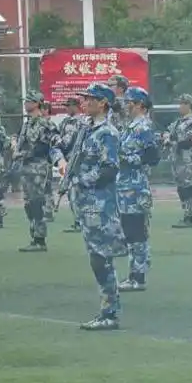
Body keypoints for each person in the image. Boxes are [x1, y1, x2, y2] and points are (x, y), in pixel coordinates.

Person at [67, 83, 128, 330]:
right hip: (86, 202)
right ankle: (107, 309)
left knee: (102, 258)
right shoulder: (86, 129)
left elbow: (109, 169)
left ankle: (109, 312)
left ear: (103, 103)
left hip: (100, 204)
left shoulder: (107, 133)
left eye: (91, 99)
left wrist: (81, 179)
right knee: (96, 257)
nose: (86, 102)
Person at [118, 87, 161, 292]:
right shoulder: (130, 127)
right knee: (129, 231)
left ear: (140, 105)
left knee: (136, 232)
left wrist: (124, 158)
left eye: (129, 103)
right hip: (125, 187)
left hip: (135, 187)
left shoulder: (143, 127)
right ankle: (134, 273)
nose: (126, 106)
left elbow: (152, 157)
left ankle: (138, 276)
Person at [14, 92, 64, 253]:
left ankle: (40, 239)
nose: (25, 104)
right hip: (26, 167)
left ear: (37, 103)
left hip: (38, 167)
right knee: (29, 203)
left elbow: (49, 146)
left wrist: (25, 154)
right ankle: (34, 235)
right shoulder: (27, 124)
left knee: (37, 202)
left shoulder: (45, 124)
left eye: (28, 101)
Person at [165, 94, 192, 228]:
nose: (179, 107)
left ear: (188, 105)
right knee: (181, 187)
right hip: (177, 158)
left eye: (181, 104)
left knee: (187, 186)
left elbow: (188, 142)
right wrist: (166, 137)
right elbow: (167, 131)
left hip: (186, 159)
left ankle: (189, 216)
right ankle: (186, 212)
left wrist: (172, 142)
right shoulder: (178, 122)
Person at [59, 97, 88, 233]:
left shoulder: (81, 121)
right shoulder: (65, 122)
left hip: (78, 161)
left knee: (76, 191)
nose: (67, 108)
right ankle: (78, 221)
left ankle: (80, 221)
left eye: (68, 106)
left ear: (75, 106)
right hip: (68, 161)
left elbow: (68, 141)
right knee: (71, 191)